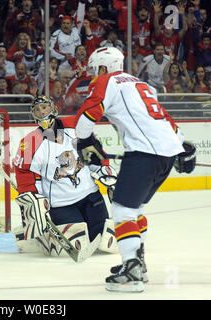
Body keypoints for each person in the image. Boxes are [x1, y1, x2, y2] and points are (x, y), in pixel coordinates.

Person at [73, 46, 196, 292]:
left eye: (95, 70)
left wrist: (83, 141)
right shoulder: (142, 85)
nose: (94, 75)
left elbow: (88, 115)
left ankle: (131, 269)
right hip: (166, 153)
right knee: (135, 209)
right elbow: (163, 118)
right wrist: (182, 146)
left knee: (122, 210)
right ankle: (138, 262)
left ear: (104, 68)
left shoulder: (106, 81)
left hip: (144, 152)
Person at [13, 95, 118, 260]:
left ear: (53, 108)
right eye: (37, 110)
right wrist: (32, 197)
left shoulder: (74, 126)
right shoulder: (31, 142)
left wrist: (104, 170)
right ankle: (41, 238)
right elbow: (23, 172)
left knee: (105, 241)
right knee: (75, 242)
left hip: (90, 195)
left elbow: (93, 152)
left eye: (44, 107)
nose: (41, 112)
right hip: (61, 204)